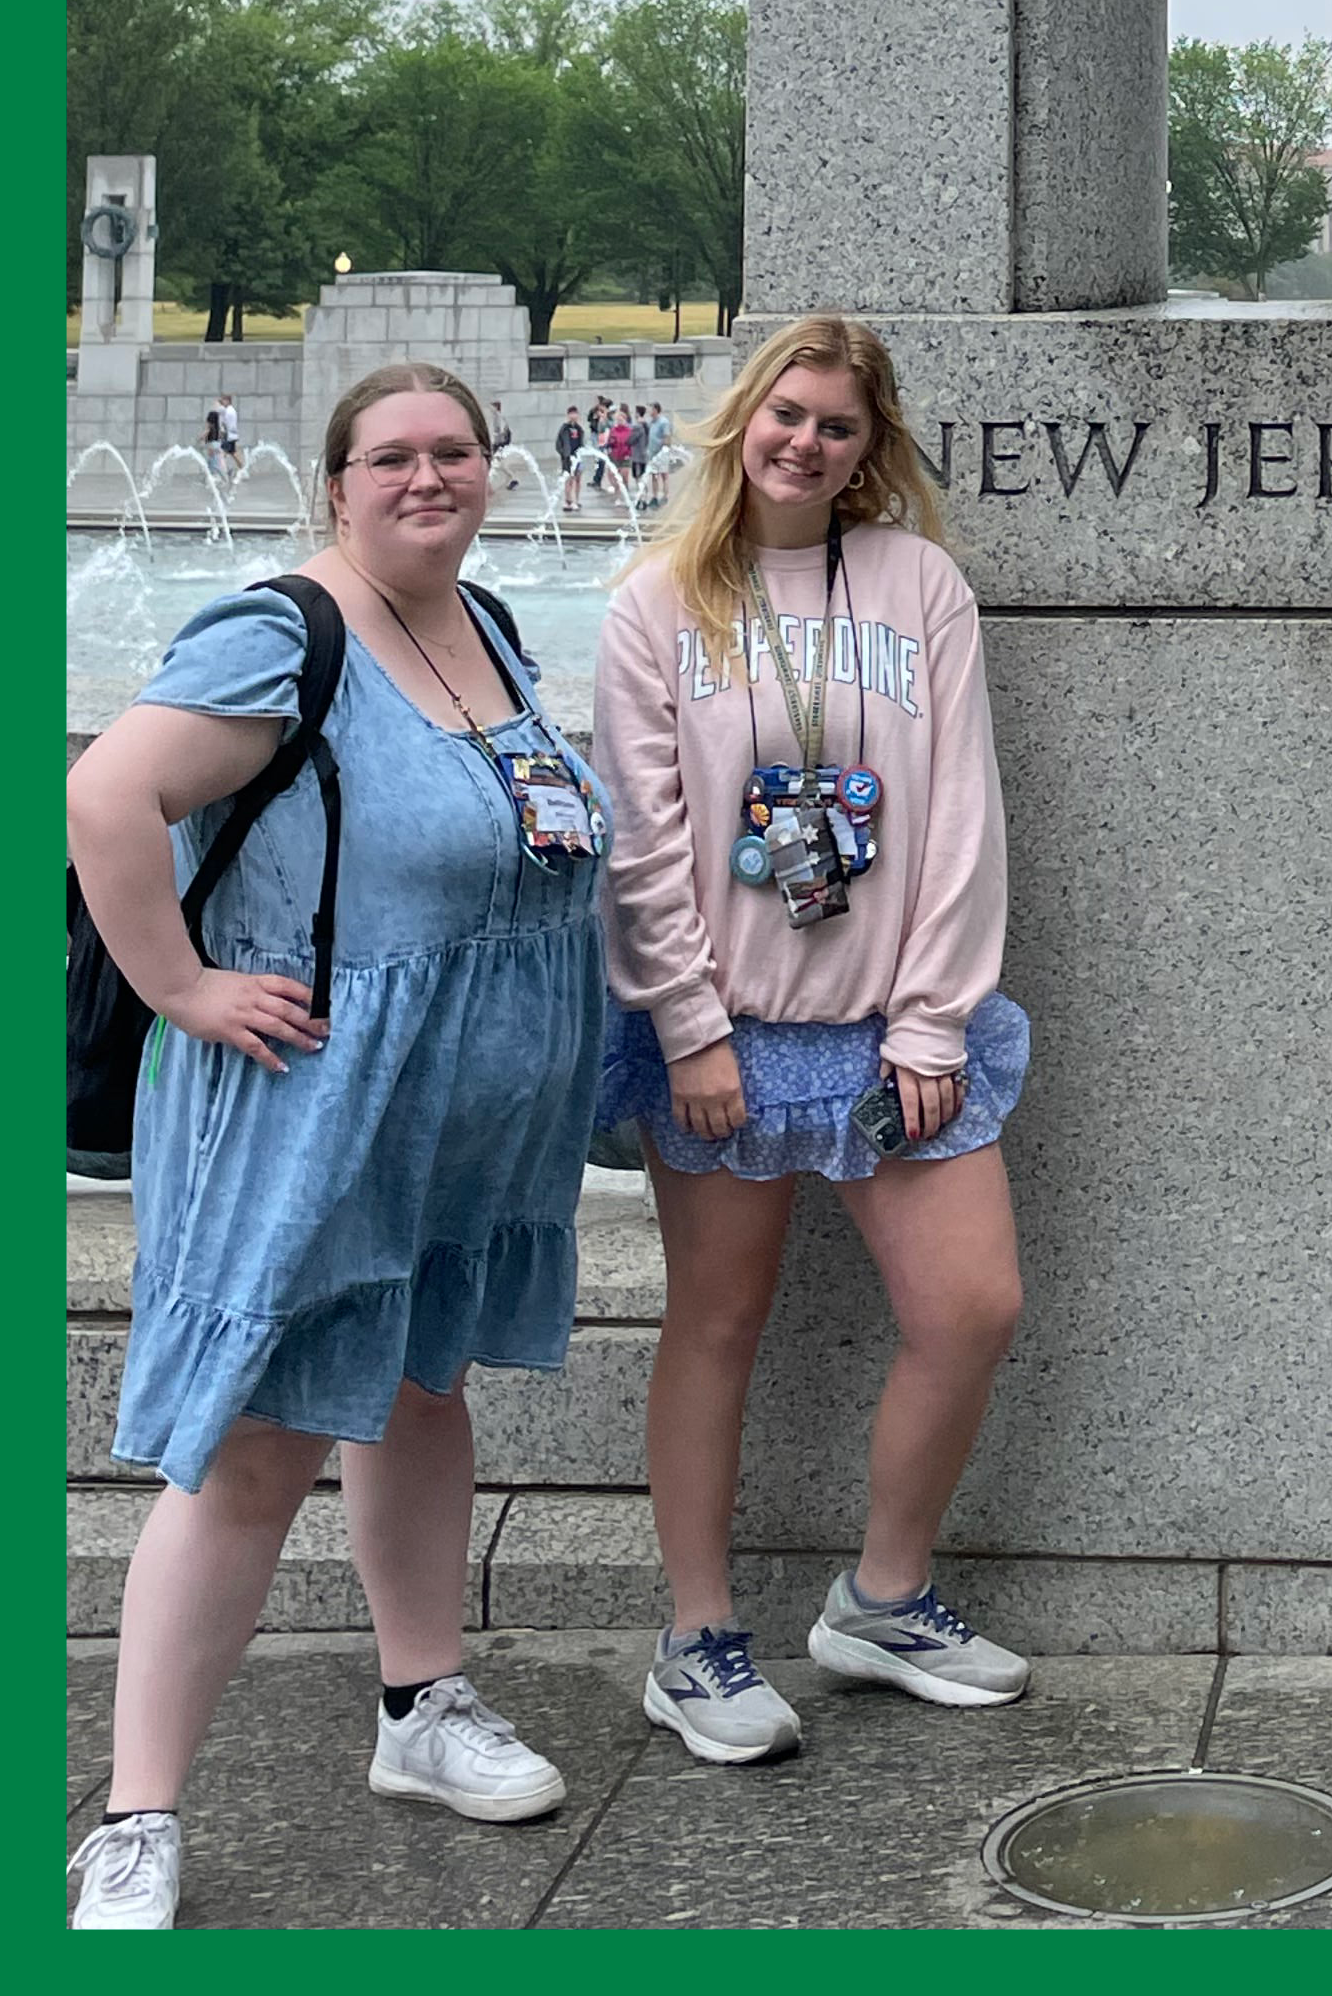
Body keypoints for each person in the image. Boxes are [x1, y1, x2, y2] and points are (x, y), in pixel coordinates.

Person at [64, 362, 607, 1929]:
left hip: (449, 1122)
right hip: (316, 1103)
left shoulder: (483, 624)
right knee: (254, 1452)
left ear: (490, 468)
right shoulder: (277, 632)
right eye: (391, 458)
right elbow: (106, 792)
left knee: (418, 1393)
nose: (426, 479)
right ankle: (137, 1815)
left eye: (453, 451)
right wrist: (179, 984)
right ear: (337, 479)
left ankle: (420, 1707)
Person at [593, 314, 1029, 1765]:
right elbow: (644, 844)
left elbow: (961, 810)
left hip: (889, 1030)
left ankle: (883, 1598)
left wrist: (933, 1018)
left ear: (868, 449)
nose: (806, 443)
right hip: (727, 1032)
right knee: (717, 1322)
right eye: (787, 414)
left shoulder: (919, 586)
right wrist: (690, 1026)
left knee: (969, 1309)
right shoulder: (660, 601)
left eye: (838, 427)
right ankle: (698, 1639)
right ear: (742, 421)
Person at [556, 406, 586, 516]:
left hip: (578, 457)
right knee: (568, 479)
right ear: (568, 415)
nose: (574, 416)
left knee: (577, 479)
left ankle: (576, 500)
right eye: (571, 414)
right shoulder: (564, 428)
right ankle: (568, 500)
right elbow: (558, 444)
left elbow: (581, 442)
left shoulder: (579, 429)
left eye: (575, 413)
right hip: (567, 458)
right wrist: (564, 454)